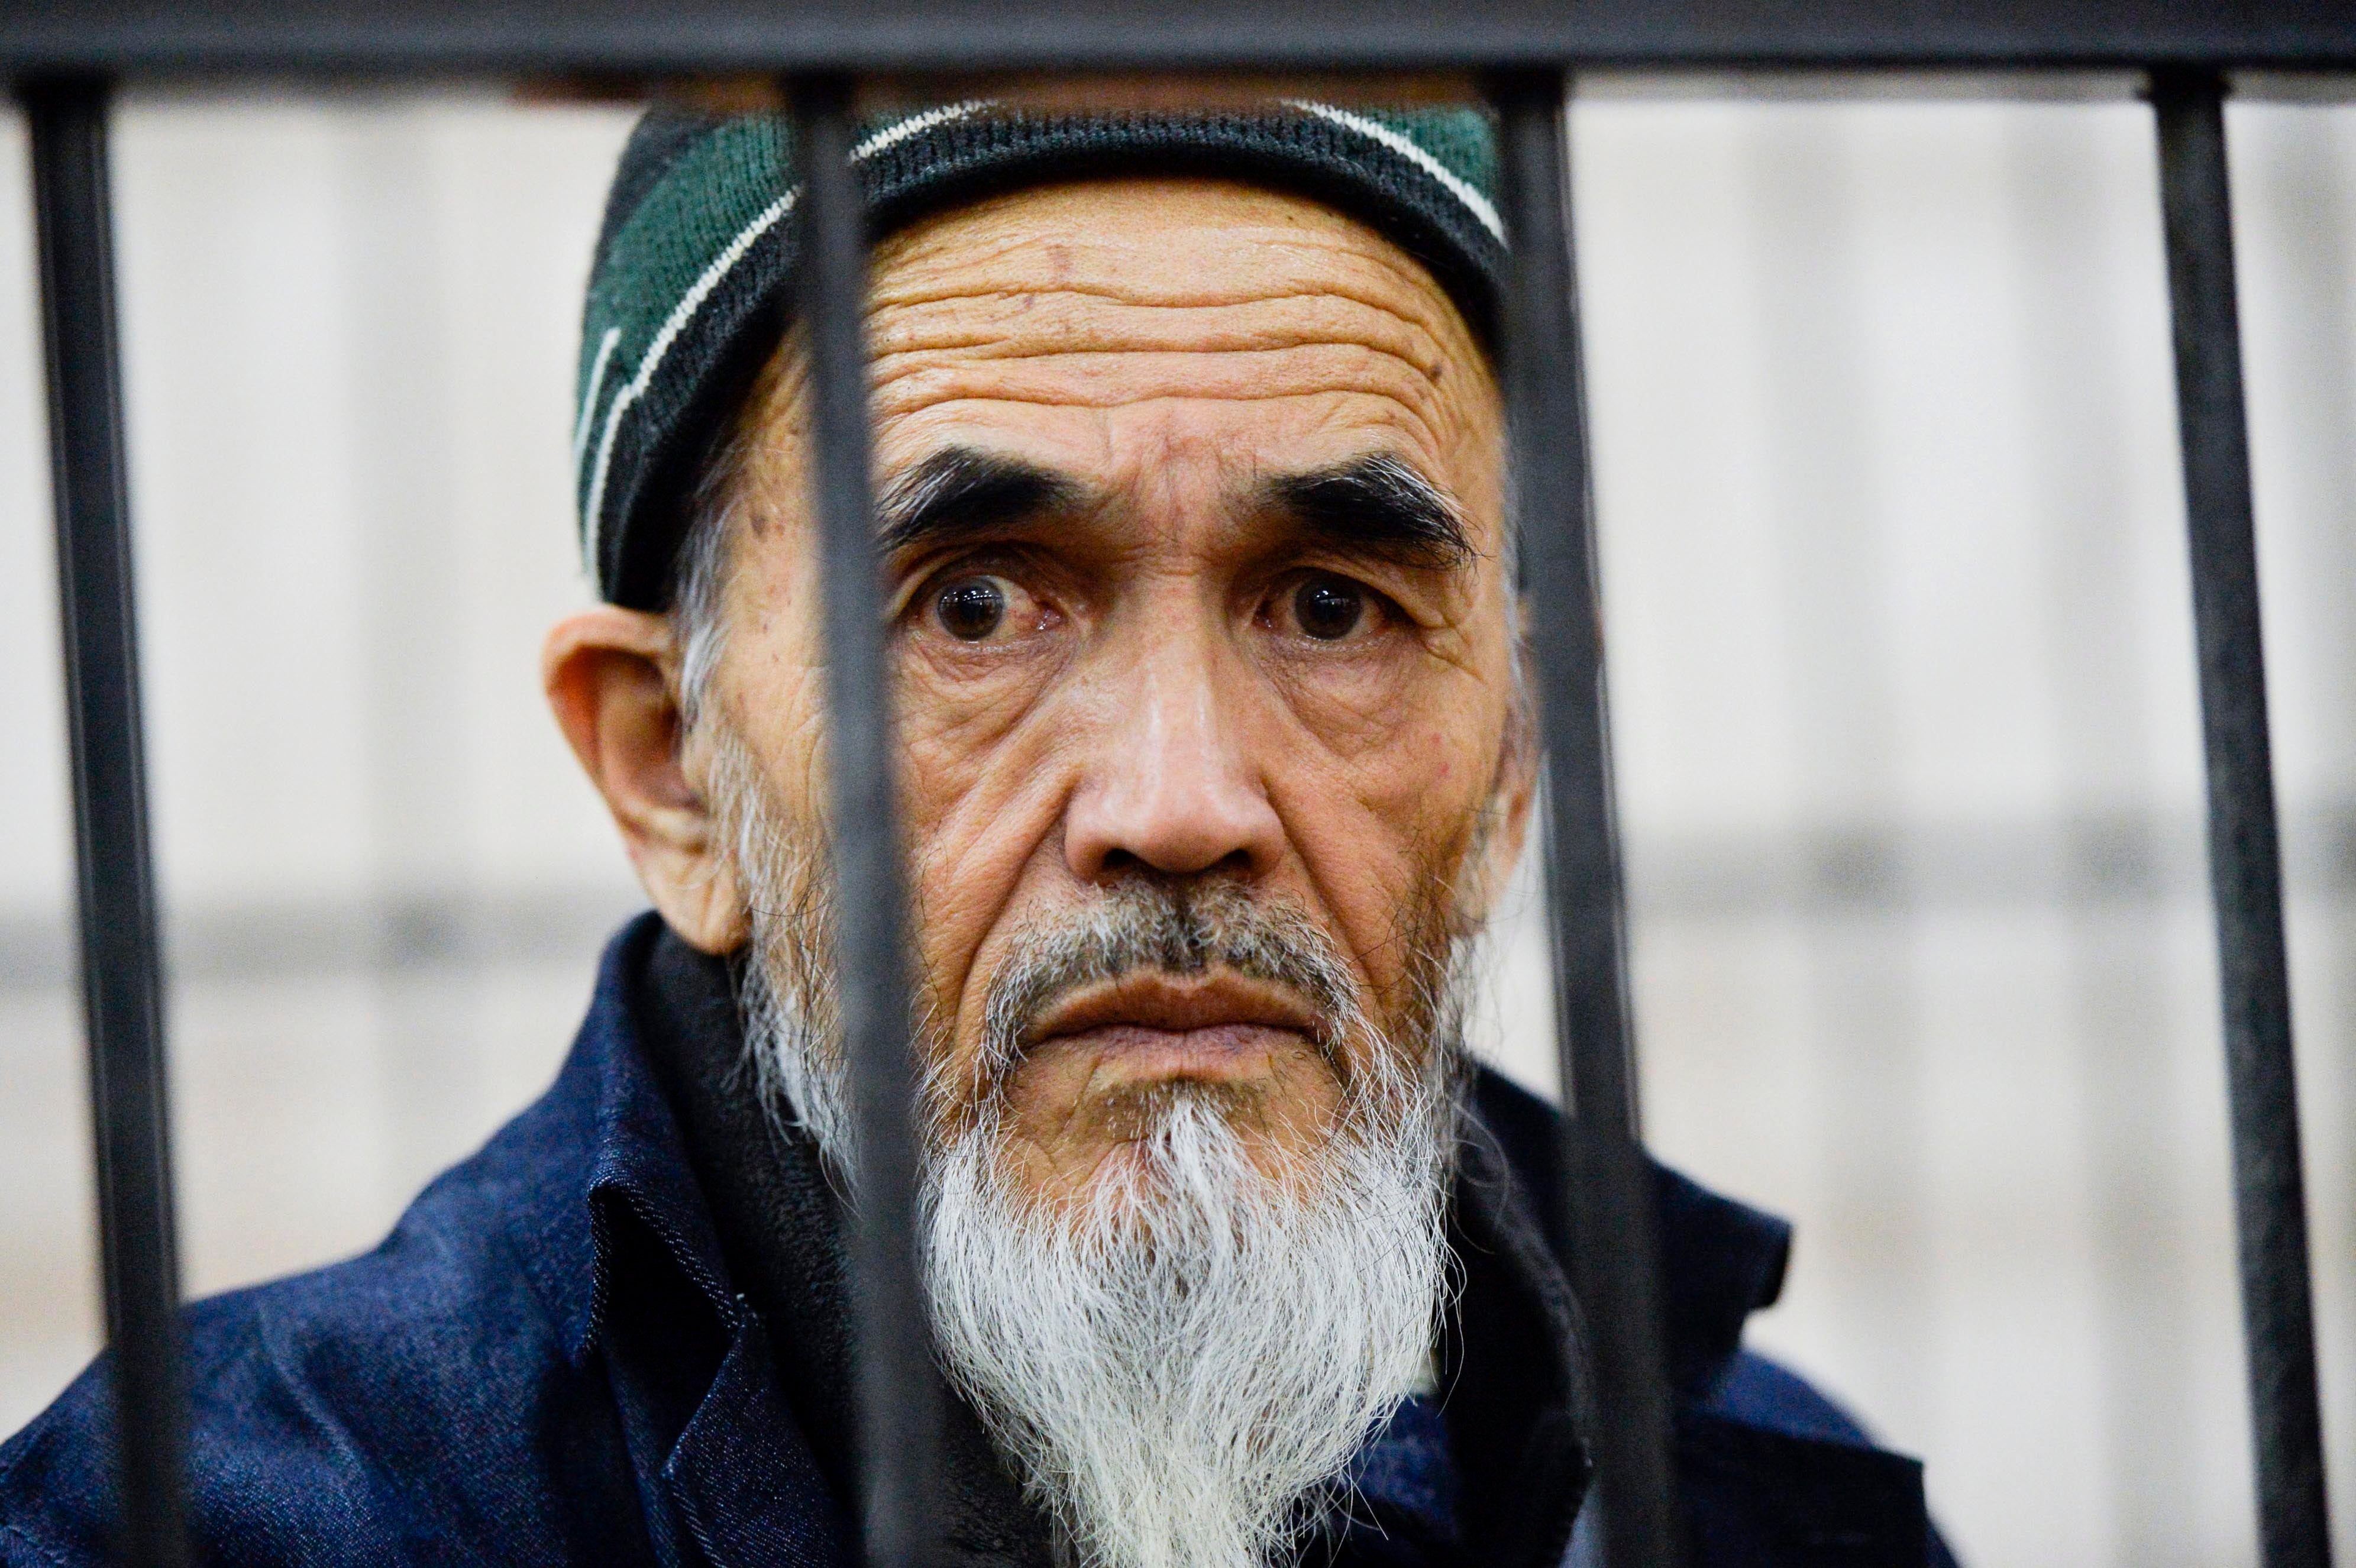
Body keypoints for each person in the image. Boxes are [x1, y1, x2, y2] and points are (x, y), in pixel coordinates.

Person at [1, 98, 1957, 1568]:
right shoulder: (262, 1520)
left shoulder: (1738, 1487)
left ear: (1516, 752)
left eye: (1335, 606)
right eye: (976, 606)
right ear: (673, 772)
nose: (1183, 804)